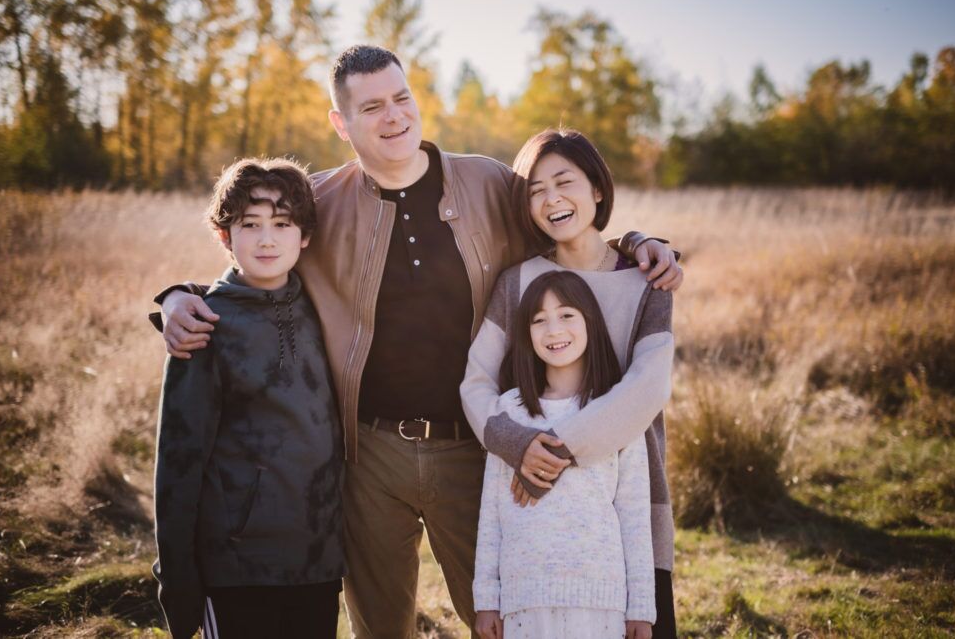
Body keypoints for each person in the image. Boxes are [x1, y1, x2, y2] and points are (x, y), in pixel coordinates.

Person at [156, 45, 683, 638]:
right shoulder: (321, 200)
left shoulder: (486, 181)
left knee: (504, 619)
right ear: (341, 122)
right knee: (381, 628)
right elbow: (256, 259)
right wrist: (179, 294)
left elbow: (565, 219)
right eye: (372, 106)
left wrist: (641, 242)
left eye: (402, 98)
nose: (393, 116)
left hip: (476, 447)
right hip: (368, 456)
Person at [461, 128, 678, 636]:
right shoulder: (517, 282)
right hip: (532, 524)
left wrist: (550, 454)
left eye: (564, 182)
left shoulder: (647, 278)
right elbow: (476, 381)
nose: (552, 199)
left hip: (625, 499)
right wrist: (517, 443)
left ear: (597, 189)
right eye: (535, 190)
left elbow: (648, 387)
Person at [153, 157, 345, 639]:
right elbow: (177, 464)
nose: (266, 239)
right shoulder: (204, 325)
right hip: (237, 565)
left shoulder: (320, 306)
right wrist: (178, 580)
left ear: (304, 236)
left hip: (317, 561)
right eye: (250, 224)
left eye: (282, 225)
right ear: (225, 236)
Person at [473, 270, 655, 639]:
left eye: (567, 315)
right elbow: (491, 513)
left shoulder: (617, 407)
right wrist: (486, 600)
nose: (554, 330)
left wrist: (641, 607)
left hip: (600, 600)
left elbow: (634, 513)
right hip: (523, 598)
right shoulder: (510, 412)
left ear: (591, 321)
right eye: (539, 321)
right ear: (526, 335)